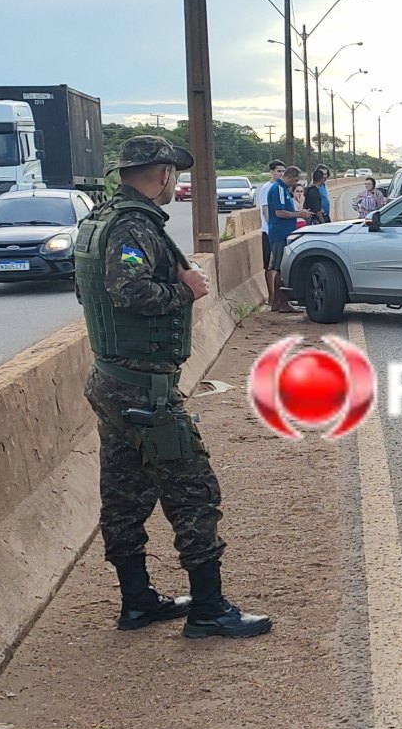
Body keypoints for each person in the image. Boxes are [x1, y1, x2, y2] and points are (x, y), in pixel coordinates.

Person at [74, 136, 271, 639]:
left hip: (113, 379)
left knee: (123, 491)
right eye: (174, 176)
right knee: (193, 492)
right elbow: (129, 290)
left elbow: (88, 290)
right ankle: (209, 610)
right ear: (161, 174)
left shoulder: (99, 220)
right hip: (144, 389)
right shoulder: (133, 226)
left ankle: (137, 602)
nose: (175, 184)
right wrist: (187, 289)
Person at [266, 165, 306, 312]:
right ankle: (282, 302)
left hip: (283, 232)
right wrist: (299, 214)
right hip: (280, 233)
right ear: (290, 177)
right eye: (295, 180)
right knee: (282, 268)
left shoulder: (282, 189)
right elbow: (280, 212)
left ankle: (278, 301)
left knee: (279, 267)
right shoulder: (279, 189)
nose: (294, 183)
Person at [258, 160, 285, 269]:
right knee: (270, 265)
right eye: (279, 171)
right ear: (271, 172)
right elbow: (266, 210)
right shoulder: (267, 188)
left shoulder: (280, 188)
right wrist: (273, 228)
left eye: (283, 171)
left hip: (278, 233)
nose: (281, 174)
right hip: (270, 233)